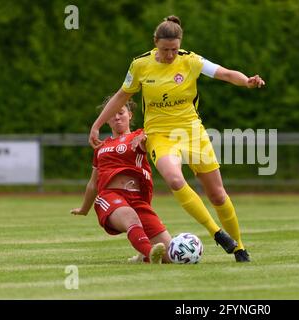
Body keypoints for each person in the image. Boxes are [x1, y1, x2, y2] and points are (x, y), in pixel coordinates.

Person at [88, 15, 265, 262]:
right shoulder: (140, 65)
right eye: (165, 50)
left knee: (217, 195)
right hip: (159, 134)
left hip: (191, 132)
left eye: (174, 49)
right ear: (155, 44)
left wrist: (246, 81)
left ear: (180, 44)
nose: (170, 55)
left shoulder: (190, 60)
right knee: (173, 179)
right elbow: (120, 96)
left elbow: (224, 73)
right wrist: (97, 125)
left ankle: (239, 248)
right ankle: (216, 233)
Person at [71, 97, 172, 264]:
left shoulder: (138, 136)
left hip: (138, 200)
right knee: (130, 217)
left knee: (170, 256)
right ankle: (149, 252)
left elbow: (158, 133)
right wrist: (84, 209)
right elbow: (92, 183)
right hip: (110, 197)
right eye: (112, 114)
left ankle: (144, 256)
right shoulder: (101, 147)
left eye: (121, 112)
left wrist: (146, 136)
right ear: (106, 120)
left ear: (130, 115)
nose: (117, 117)